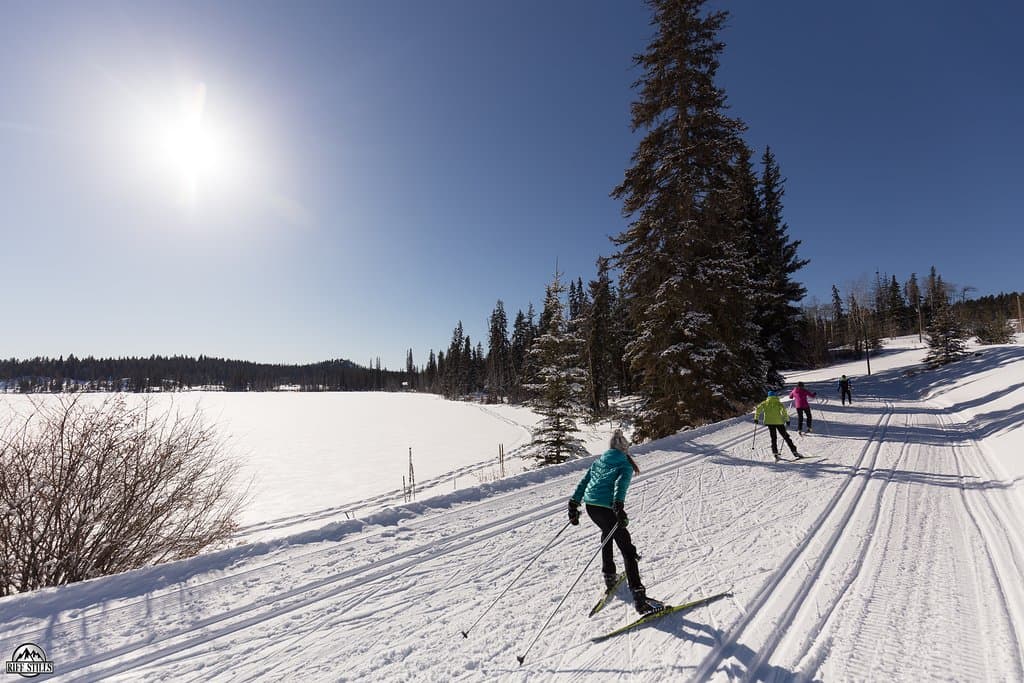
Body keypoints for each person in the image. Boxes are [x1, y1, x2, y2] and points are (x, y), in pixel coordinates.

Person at [568, 429, 656, 614]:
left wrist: (574, 503)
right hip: (608, 508)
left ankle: (609, 575)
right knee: (627, 550)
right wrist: (618, 506)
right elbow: (620, 486)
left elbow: (584, 482)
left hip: (591, 507)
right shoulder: (624, 464)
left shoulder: (599, 461)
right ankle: (640, 599)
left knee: (607, 534)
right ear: (625, 449)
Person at [754, 390, 802, 462]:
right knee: (786, 437)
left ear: (768, 396)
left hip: (769, 422)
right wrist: (787, 420)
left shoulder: (764, 403)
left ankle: (775, 453)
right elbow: (784, 412)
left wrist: (756, 418)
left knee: (773, 438)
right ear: (775, 396)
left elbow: (758, 409)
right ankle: (794, 451)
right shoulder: (778, 403)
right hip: (779, 422)